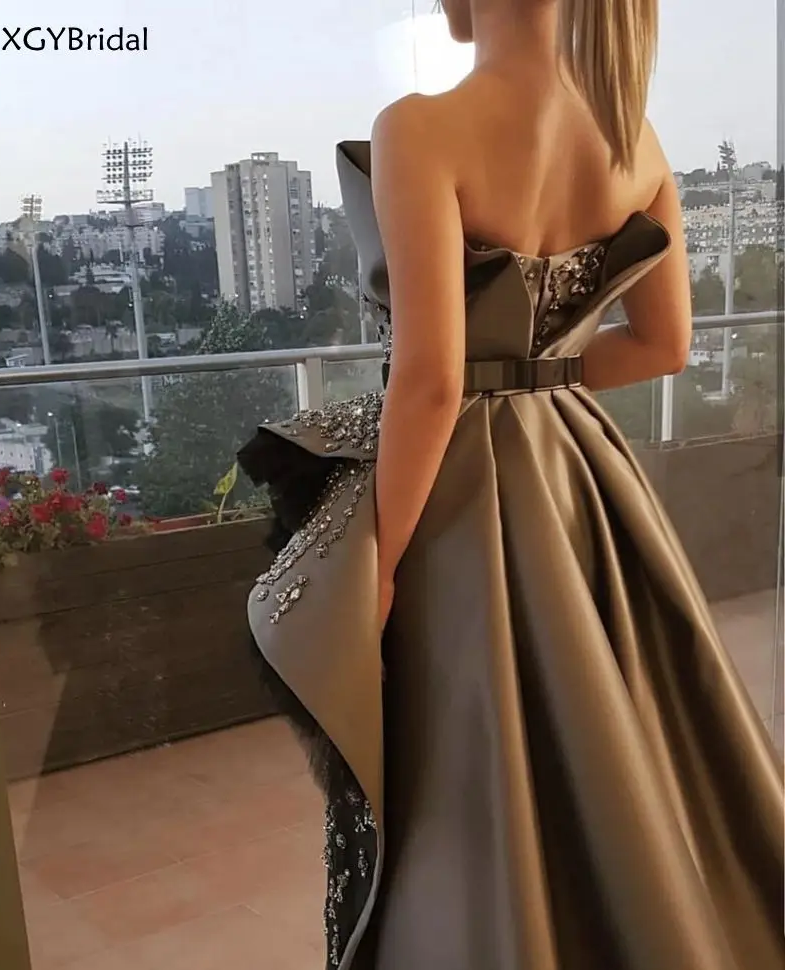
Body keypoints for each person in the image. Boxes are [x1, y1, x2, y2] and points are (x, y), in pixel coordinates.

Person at [238, 1, 784, 967]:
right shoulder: (636, 141)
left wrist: (381, 564)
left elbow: (431, 380)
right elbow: (663, 346)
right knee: (616, 731)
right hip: (579, 470)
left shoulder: (420, 127)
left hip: (455, 489)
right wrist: (540, 382)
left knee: (464, 759)